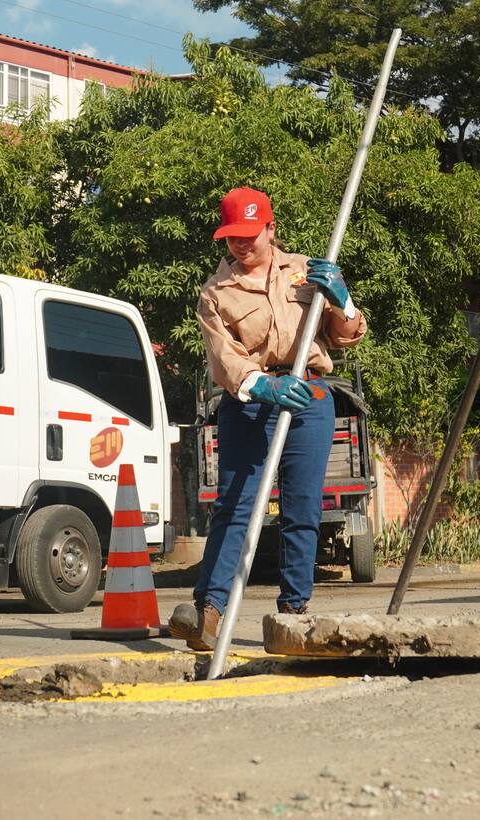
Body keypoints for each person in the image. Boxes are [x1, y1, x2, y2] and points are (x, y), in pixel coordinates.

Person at [170, 186, 366, 651]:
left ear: (270, 229)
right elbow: (224, 358)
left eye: (250, 234)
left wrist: (342, 299)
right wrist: (262, 384)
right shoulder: (215, 294)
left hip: (309, 396)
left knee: (303, 509)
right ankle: (209, 612)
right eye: (232, 236)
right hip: (251, 401)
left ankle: (295, 612)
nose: (241, 244)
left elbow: (345, 336)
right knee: (236, 506)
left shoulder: (305, 271)